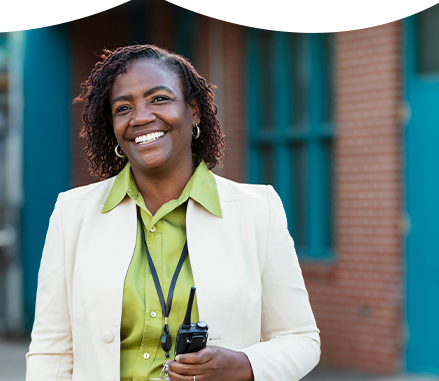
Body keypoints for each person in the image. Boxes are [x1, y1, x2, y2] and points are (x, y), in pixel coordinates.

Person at [26, 44, 320, 381]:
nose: (141, 117)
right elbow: (51, 353)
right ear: (112, 126)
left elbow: (301, 339)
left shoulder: (257, 211)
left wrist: (246, 365)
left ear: (193, 111)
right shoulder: (72, 214)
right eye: (124, 107)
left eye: (159, 99)